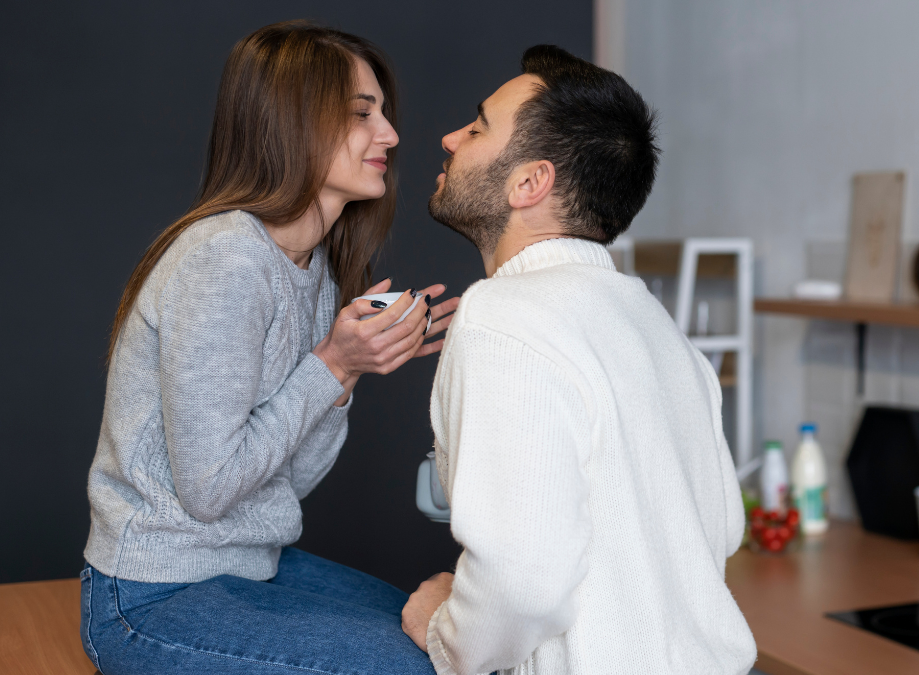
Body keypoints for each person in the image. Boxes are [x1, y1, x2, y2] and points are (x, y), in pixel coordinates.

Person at [81, 21, 458, 675]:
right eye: (362, 114)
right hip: (149, 595)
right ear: (294, 123)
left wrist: (347, 375)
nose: (391, 135)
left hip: (250, 565)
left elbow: (282, 484)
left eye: (383, 113)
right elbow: (209, 490)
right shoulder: (227, 258)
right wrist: (332, 364)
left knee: (449, 640)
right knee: (417, 665)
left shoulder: (316, 271)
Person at [401, 45, 757, 675]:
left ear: (529, 182)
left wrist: (443, 632)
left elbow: (522, 581)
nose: (451, 139)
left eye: (478, 128)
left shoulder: (502, 316)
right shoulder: (662, 332)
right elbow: (722, 529)